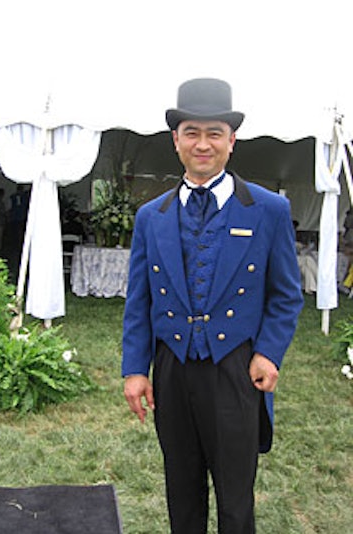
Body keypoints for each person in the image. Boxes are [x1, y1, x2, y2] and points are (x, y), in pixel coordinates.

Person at [122, 78, 304, 534]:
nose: (203, 144)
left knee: (235, 495)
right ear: (176, 140)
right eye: (192, 133)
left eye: (214, 134)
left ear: (231, 139)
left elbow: (286, 294)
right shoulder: (151, 216)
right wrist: (135, 369)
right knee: (181, 491)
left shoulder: (268, 210)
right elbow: (139, 299)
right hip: (171, 366)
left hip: (235, 368)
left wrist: (269, 352)